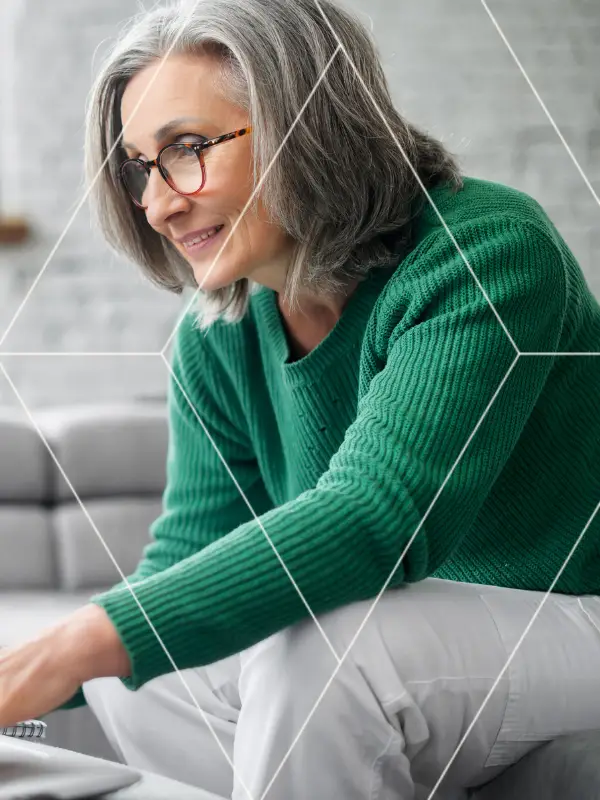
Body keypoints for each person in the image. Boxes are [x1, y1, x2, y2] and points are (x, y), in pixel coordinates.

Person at [1, 0, 600, 797]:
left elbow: (379, 515)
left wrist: (80, 642)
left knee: (318, 650)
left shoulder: (485, 251)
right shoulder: (218, 335)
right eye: (141, 167)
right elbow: (184, 560)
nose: (157, 203)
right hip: (417, 641)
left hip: (568, 609)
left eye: (185, 149)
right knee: (135, 669)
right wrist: (53, 667)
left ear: (304, 124)